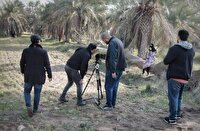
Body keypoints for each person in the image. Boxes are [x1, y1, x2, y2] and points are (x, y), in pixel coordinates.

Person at [163, 29, 195, 124]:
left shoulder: (175, 48)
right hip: (185, 78)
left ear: (178, 37)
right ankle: (177, 114)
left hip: (174, 78)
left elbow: (166, 61)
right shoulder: (192, 49)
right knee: (179, 98)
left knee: (173, 98)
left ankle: (172, 118)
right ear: (187, 37)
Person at [20, 34, 52, 117]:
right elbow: (47, 64)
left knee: (27, 91)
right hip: (39, 76)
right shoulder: (43, 52)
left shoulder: (25, 51)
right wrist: (49, 75)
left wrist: (23, 71)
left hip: (28, 76)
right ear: (38, 41)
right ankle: (35, 110)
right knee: (37, 93)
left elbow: (22, 63)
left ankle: (28, 105)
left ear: (31, 41)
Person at [101, 32, 127, 111]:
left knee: (108, 87)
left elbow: (113, 58)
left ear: (105, 38)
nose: (104, 42)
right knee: (114, 86)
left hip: (114, 69)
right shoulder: (118, 41)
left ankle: (109, 105)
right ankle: (112, 103)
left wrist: (113, 71)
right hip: (120, 67)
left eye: (103, 41)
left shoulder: (112, 43)